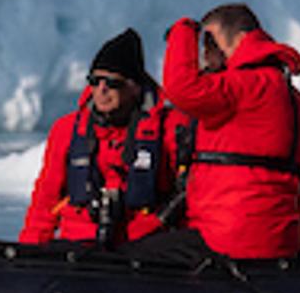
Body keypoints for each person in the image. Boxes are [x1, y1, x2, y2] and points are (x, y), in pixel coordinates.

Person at [159, 2, 300, 260]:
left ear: (242, 39)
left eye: (211, 41)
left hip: (229, 238)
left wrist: (183, 32)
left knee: (133, 258)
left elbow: (182, 88)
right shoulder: (298, 101)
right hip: (282, 238)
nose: (206, 53)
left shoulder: (245, 86)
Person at [20, 29, 189, 245]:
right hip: (78, 242)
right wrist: (29, 252)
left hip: (143, 245)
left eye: (112, 83)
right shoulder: (68, 129)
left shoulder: (170, 128)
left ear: (135, 87)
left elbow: (189, 194)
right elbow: (45, 200)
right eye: (95, 80)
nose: (101, 90)